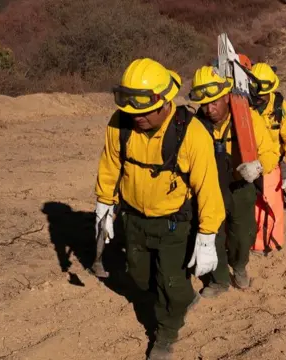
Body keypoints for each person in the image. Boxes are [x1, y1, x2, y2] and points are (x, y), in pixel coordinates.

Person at [95, 58, 226, 359]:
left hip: (173, 223)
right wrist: (103, 202)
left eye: (143, 112)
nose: (136, 117)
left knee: (169, 280)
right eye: (130, 110)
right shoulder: (120, 123)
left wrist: (207, 236)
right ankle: (181, 297)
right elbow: (110, 164)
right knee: (141, 278)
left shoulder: (192, 134)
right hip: (134, 219)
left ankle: (166, 332)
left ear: (165, 102)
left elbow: (208, 188)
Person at [189, 65, 280, 297]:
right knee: (213, 233)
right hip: (211, 188)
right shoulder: (195, 125)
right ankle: (219, 280)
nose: (209, 109)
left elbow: (270, 152)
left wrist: (258, 167)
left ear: (227, 97)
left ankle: (239, 266)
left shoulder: (248, 119)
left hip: (240, 186)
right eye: (205, 104)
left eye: (214, 103)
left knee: (243, 233)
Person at [249, 62, 286, 254]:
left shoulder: (281, 109)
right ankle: (256, 243)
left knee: (273, 206)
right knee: (255, 208)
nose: (258, 97)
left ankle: (273, 242)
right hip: (248, 164)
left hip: (271, 165)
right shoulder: (244, 105)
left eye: (262, 93)